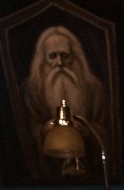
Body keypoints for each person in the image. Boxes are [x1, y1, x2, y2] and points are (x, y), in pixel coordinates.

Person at [23, 24, 107, 176]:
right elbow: (30, 130)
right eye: (53, 56)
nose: (59, 63)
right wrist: (48, 128)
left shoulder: (93, 88)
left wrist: (87, 130)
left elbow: (106, 130)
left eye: (65, 55)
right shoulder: (32, 91)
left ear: (74, 57)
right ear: (43, 59)